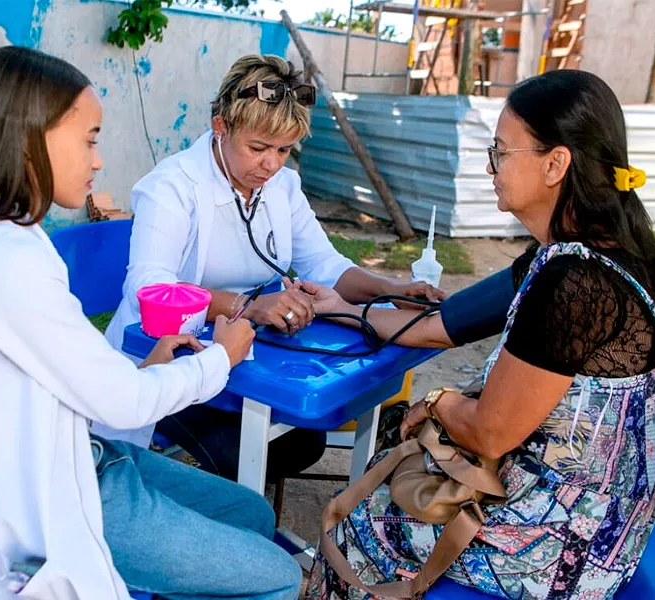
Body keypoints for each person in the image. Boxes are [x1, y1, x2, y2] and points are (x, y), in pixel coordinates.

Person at [0, 46, 301, 600]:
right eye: (88, 139)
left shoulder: (2, 239)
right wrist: (221, 356)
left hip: (76, 458)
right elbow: (125, 404)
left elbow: (69, 375)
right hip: (48, 507)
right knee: (281, 578)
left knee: (251, 513)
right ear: (28, 139)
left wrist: (148, 364)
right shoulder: (3, 262)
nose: (97, 161)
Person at [307, 69, 655, 599]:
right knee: (396, 468)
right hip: (606, 524)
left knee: (360, 526)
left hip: (563, 546)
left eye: (501, 152)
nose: (490, 167)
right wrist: (342, 307)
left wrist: (439, 401)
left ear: (556, 164)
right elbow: (438, 325)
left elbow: (489, 433)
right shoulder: (595, 252)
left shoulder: (574, 284)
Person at [101, 54, 443, 482]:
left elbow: (322, 263)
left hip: (245, 357)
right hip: (164, 361)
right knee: (252, 452)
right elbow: (148, 287)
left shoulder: (282, 186)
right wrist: (248, 305)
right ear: (221, 125)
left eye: (284, 150)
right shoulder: (171, 188)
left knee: (300, 440)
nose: (272, 164)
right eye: (258, 148)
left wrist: (389, 286)